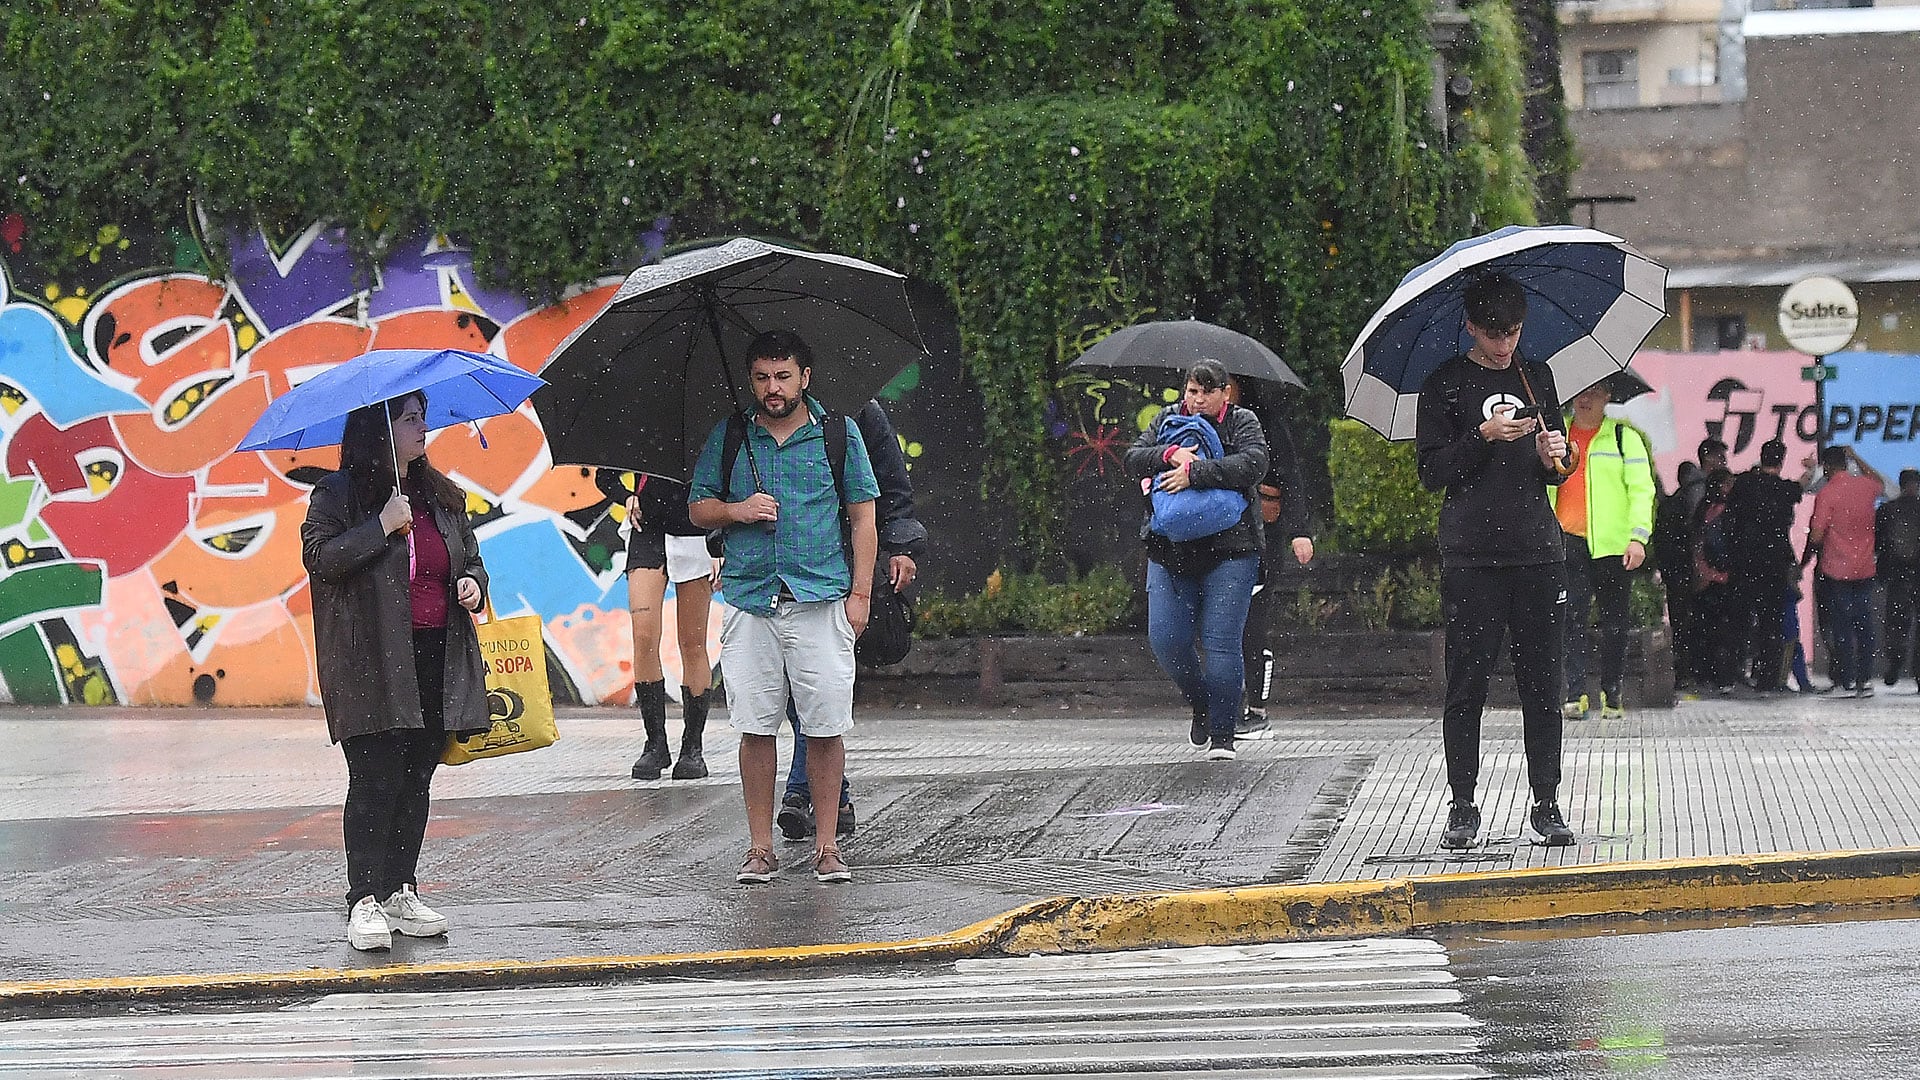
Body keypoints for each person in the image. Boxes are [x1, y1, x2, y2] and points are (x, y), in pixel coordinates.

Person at [689, 330, 879, 886]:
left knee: (824, 726)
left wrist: (860, 595)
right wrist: (737, 509)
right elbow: (699, 509)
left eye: (783, 376)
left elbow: (864, 516)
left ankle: (827, 848)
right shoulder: (728, 436)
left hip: (821, 598)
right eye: (762, 378)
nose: (772, 388)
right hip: (750, 600)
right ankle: (760, 848)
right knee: (754, 727)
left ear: (805, 377)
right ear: (751, 380)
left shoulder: (837, 435)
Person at [301, 392, 490, 952]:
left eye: (423, 416)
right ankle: (363, 898)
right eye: (411, 418)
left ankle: (400, 889)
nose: (424, 427)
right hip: (369, 660)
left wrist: (473, 584)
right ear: (379, 426)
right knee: (375, 776)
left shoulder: (439, 495)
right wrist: (379, 526)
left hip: (435, 653)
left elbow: (472, 558)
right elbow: (320, 559)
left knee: (416, 775)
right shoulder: (337, 494)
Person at [1413, 271, 1574, 849]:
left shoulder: (1539, 374)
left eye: (1514, 332)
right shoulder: (1446, 385)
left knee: (1542, 682)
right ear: (1471, 328)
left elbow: (1559, 462)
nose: (1505, 345)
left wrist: (1558, 453)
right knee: (1468, 684)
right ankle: (1461, 804)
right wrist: (1482, 435)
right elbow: (1431, 471)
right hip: (1472, 556)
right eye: (1493, 334)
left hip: (1537, 550)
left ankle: (1547, 800)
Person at [778, 398, 927, 842]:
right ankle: (835, 795)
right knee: (793, 688)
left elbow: (892, 486)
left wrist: (900, 546)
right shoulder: (755, 415)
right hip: (777, 572)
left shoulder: (856, 410)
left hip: (840, 569)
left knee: (821, 685)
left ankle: (801, 790)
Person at [1124, 359, 1269, 761]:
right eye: (1192, 391)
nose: (1198, 399)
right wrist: (1169, 454)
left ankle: (1223, 734)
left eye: (1208, 391)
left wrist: (1197, 472)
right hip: (1169, 547)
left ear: (1226, 392)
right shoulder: (1167, 420)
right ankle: (1202, 704)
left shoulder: (1243, 422)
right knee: (1166, 639)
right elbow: (1133, 458)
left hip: (1232, 548)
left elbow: (1254, 464)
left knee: (1222, 643)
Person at [1550, 377, 1655, 720]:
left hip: (1613, 545)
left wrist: (1638, 538)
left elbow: (1642, 491)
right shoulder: (1555, 437)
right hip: (1567, 541)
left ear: (1608, 396)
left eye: (1595, 391)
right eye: (1582, 390)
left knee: (1615, 624)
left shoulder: (1625, 439)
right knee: (1571, 619)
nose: (1586, 398)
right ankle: (1575, 692)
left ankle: (1612, 692)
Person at [1225, 375, 1314, 740]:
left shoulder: (1263, 422)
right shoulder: (1197, 426)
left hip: (1260, 534)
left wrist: (1298, 529)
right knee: (1223, 621)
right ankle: (1225, 703)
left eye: (1224, 384)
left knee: (1255, 616)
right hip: (1220, 534)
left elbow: (1289, 475)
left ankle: (1257, 707)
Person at [624, 475, 717, 781]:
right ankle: (655, 744)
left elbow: (730, 481)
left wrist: (722, 539)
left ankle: (693, 746)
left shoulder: (715, 430)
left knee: (693, 643)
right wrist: (626, 496)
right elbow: (605, 476)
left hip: (696, 534)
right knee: (644, 635)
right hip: (646, 533)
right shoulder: (636, 428)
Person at [1723, 439, 1808, 693]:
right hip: (1774, 564)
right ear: (1781, 461)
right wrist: (1810, 469)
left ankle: (1731, 675)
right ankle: (1767, 678)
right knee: (1771, 623)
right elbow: (1800, 486)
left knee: (1739, 621)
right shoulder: (1784, 489)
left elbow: (1731, 517)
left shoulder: (1743, 485)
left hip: (1743, 562)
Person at [1807, 445, 1886, 697]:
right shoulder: (1865, 487)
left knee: (1841, 627)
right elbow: (1880, 482)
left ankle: (1846, 678)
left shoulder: (1828, 493)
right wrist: (1857, 457)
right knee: (1865, 625)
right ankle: (1865, 679)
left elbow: (1817, 535)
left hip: (1836, 569)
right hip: (1864, 567)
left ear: (1827, 467)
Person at [1657, 438, 1727, 692]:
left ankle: (1688, 672)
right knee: (1698, 623)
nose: (1723, 462)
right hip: (1696, 572)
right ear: (1707, 458)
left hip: (1678, 571)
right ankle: (1698, 672)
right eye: (1719, 457)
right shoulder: (1700, 491)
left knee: (1684, 623)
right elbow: (1698, 534)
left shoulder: (1679, 495)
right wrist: (1702, 569)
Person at [1691, 467, 1738, 694]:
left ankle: (1709, 674)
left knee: (1710, 630)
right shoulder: (1725, 512)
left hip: (1709, 579)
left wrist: (1702, 572)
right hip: (1722, 578)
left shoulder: (1704, 510)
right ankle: (1723, 676)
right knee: (1724, 631)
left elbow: (1697, 545)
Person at [1878, 468, 1920, 689]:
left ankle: (1895, 662)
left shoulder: (1887, 510)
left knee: (1896, 622)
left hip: (1897, 574)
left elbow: (1880, 543)